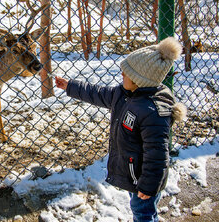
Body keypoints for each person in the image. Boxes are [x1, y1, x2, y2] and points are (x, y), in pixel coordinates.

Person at [55, 37, 187, 222]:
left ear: (140, 79)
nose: (122, 74)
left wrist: (148, 186)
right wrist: (71, 86)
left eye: (126, 72)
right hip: (136, 175)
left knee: (143, 214)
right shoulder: (123, 94)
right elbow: (97, 93)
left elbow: (157, 154)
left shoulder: (153, 113)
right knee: (142, 210)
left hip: (144, 179)